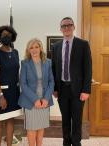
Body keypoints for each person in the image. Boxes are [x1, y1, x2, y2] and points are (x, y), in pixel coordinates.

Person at [52, 17, 92, 146]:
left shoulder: (83, 44)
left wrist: (86, 89)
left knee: (76, 120)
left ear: (74, 27)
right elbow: (54, 68)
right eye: (64, 26)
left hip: (78, 90)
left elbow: (88, 68)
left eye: (69, 25)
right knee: (65, 120)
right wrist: (55, 88)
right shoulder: (56, 46)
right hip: (62, 89)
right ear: (60, 29)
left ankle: (76, 143)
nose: (67, 27)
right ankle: (66, 143)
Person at [0, 25, 22, 146]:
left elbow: (16, 73)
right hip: (1, 94)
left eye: (8, 35)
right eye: (3, 35)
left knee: (10, 120)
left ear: (12, 37)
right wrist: (1, 96)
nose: (6, 37)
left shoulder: (15, 52)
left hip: (14, 93)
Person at [18, 38, 54, 146]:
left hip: (44, 101)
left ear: (40, 48)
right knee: (32, 128)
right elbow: (23, 84)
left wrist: (46, 98)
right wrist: (35, 100)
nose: (34, 50)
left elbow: (51, 82)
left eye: (36, 47)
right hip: (31, 101)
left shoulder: (48, 62)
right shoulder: (25, 63)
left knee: (41, 127)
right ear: (28, 50)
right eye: (31, 47)